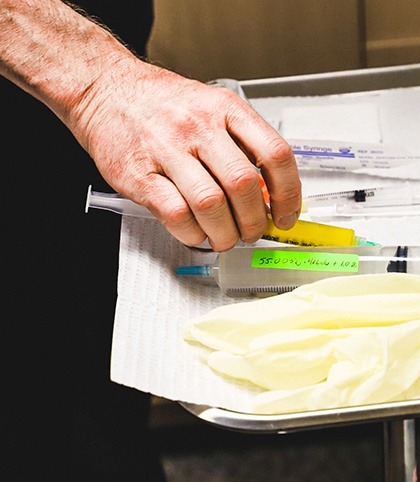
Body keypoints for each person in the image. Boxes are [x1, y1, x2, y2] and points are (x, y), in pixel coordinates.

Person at [0, 1, 301, 480]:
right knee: (26, 404)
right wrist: (99, 84)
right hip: (53, 100)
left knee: (106, 376)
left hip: (98, 97)